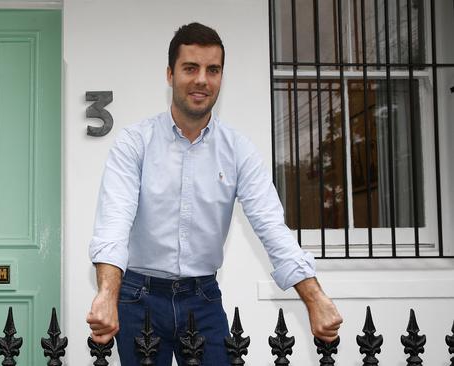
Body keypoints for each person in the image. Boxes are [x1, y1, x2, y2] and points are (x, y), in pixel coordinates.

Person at [86, 22, 342, 365]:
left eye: (213, 70)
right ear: (170, 74)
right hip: (137, 297)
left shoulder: (238, 150)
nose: (202, 80)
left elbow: (271, 226)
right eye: (190, 68)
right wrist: (107, 294)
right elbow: (114, 222)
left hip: (202, 298)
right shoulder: (135, 143)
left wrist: (315, 298)